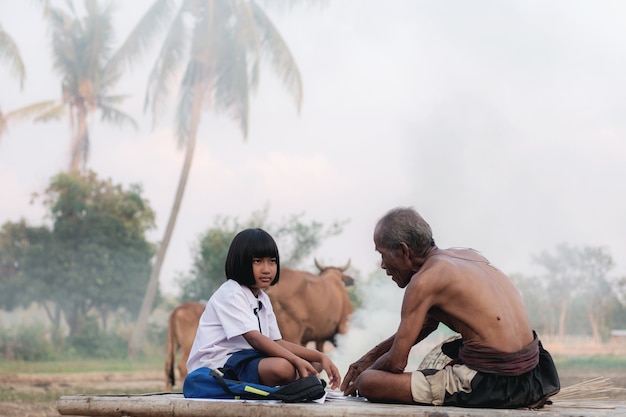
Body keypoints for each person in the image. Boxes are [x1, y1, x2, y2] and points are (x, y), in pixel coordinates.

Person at [340, 207, 560, 408]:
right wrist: (368, 358)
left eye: (382, 254)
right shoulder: (469, 256)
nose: (382, 265)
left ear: (403, 251)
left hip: (496, 383)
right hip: (535, 376)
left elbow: (397, 363)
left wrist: (363, 377)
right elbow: (426, 325)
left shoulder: (424, 281)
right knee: (370, 373)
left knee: (370, 382)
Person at [186, 228, 341, 390]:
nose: (267, 269)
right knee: (284, 367)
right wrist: (295, 360)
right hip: (217, 365)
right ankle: (296, 381)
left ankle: (297, 381)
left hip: (247, 359)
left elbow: (276, 342)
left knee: (314, 363)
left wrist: (320, 356)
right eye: (258, 261)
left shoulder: (262, 298)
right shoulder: (231, 292)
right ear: (240, 262)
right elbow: (255, 339)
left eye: (272, 261)